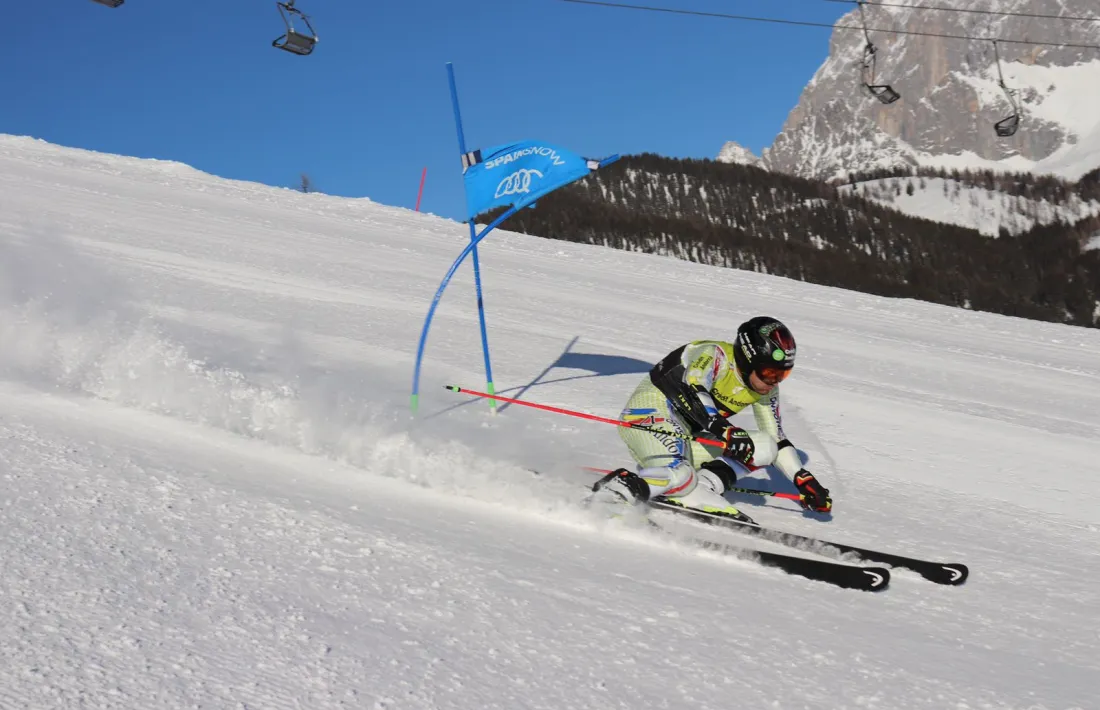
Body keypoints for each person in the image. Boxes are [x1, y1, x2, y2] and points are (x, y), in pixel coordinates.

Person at [592, 316, 832, 521]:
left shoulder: (765, 388)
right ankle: (619, 490)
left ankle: (701, 488)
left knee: (764, 446)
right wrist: (724, 429)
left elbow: (776, 438)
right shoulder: (714, 355)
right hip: (650, 416)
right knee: (681, 473)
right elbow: (695, 389)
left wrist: (803, 479)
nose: (774, 381)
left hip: (685, 433)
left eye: (783, 374)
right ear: (748, 360)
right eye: (769, 372)